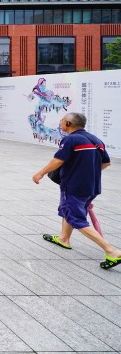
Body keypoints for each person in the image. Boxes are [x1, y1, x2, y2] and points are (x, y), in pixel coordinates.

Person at [32, 112, 120, 269]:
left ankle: (112, 251)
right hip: (92, 187)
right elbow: (106, 163)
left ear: (68, 124)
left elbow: (58, 160)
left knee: (76, 218)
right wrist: (86, 170)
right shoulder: (96, 140)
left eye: (61, 121)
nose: (60, 124)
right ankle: (64, 239)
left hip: (74, 186)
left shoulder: (71, 139)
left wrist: (40, 173)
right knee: (70, 210)